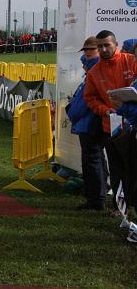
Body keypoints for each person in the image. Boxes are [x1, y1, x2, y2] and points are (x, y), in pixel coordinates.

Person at [84, 30, 137, 213]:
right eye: (100, 46)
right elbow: (90, 98)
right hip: (112, 127)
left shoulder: (130, 61)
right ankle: (119, 207)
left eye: (107, 45)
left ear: (116, 44)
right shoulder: (94, 71)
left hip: (134, 125)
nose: (104, 49)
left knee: (133, 168)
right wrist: (104, 110)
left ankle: (132, 204)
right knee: (117, 169)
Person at [66, 37, 104, 210]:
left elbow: (85, 102)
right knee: (93, 161)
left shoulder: (96, 71)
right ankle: (95, 198)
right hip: (86, 122)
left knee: (92, 161)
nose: (88, 52)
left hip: (90, 123)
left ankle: (95, 200)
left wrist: (72, 112)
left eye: (91, 49)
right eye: (86, 49)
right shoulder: (91, 70)